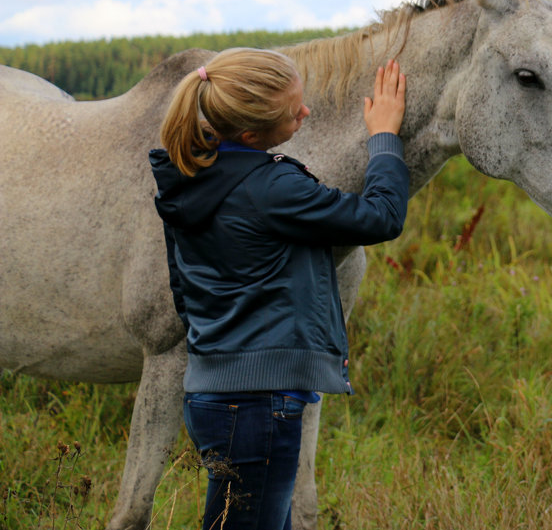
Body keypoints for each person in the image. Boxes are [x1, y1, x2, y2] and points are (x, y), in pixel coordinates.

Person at [149, 48, 409, 530]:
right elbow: (381, 217)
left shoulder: (189, 177)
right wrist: (385, 136)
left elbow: (183, 286)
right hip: (259, 403)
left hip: (211, 392)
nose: (306, 112)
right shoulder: (270, 187)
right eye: (295, 111)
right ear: (250, 135)